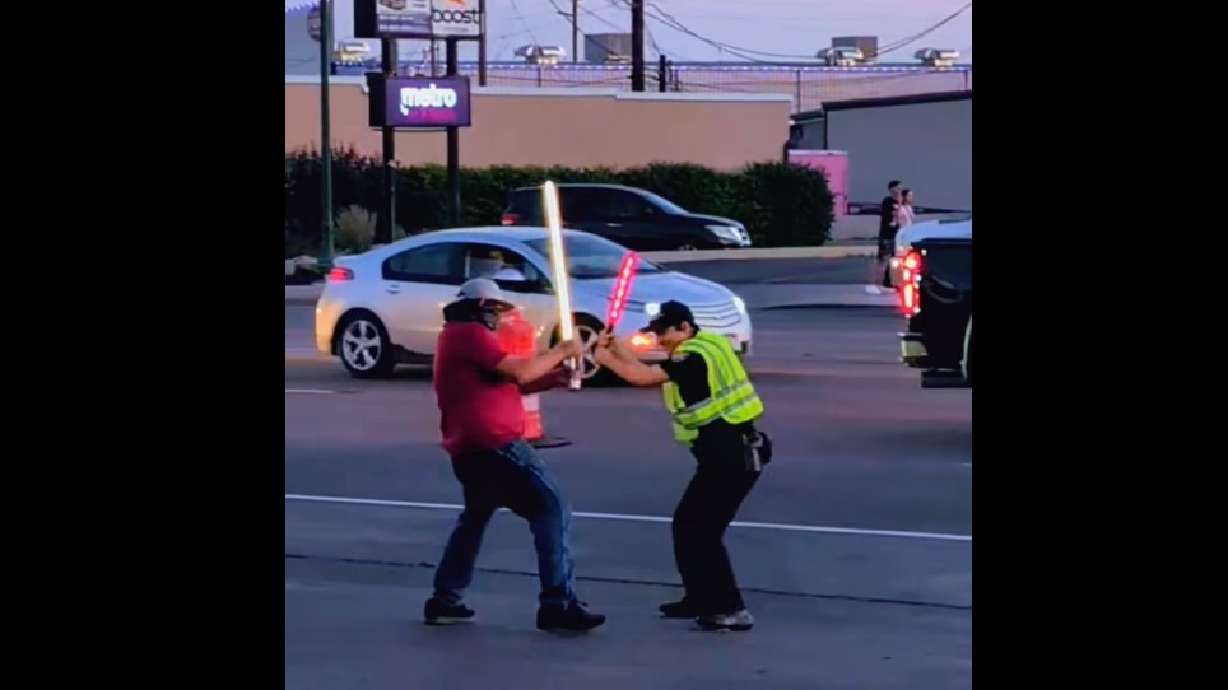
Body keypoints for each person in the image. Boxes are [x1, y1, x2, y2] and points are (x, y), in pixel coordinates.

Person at [424, 278, 606, 633]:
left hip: (470, 447)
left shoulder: (462, 339)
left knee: (475, 519)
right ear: (478, 309)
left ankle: (445, 598)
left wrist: (554, 377)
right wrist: (562, 350)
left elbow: (517, 382)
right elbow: (519, 370)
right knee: (551, 506)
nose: (497, 318)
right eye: (493, 311)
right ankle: (557, 602)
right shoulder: (467, 334)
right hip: (494, 444)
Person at [593, 301, 768, 632]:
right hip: (728, 453)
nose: (660, 341)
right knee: (688, 525)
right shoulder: (708, 346)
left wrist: (604, 360)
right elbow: (655, 369)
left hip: (732, 455)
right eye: (656, 334)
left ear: (684, 328)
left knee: (702, 531)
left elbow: (642, 377)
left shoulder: (693, 356)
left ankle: (730, 608)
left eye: (664, 333)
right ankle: (700, 599)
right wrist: (616, 349)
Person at [878, 180, 903, 287]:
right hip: (887, 233)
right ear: (891, 189)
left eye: (900, 188)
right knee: (888, 257)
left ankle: (894, 280)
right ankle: (888, 280)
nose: (899, 190)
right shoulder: (887, 201)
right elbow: (889, 215)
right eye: (897, 187)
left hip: (897, 233)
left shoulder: (900, 201)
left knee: (896, 257)